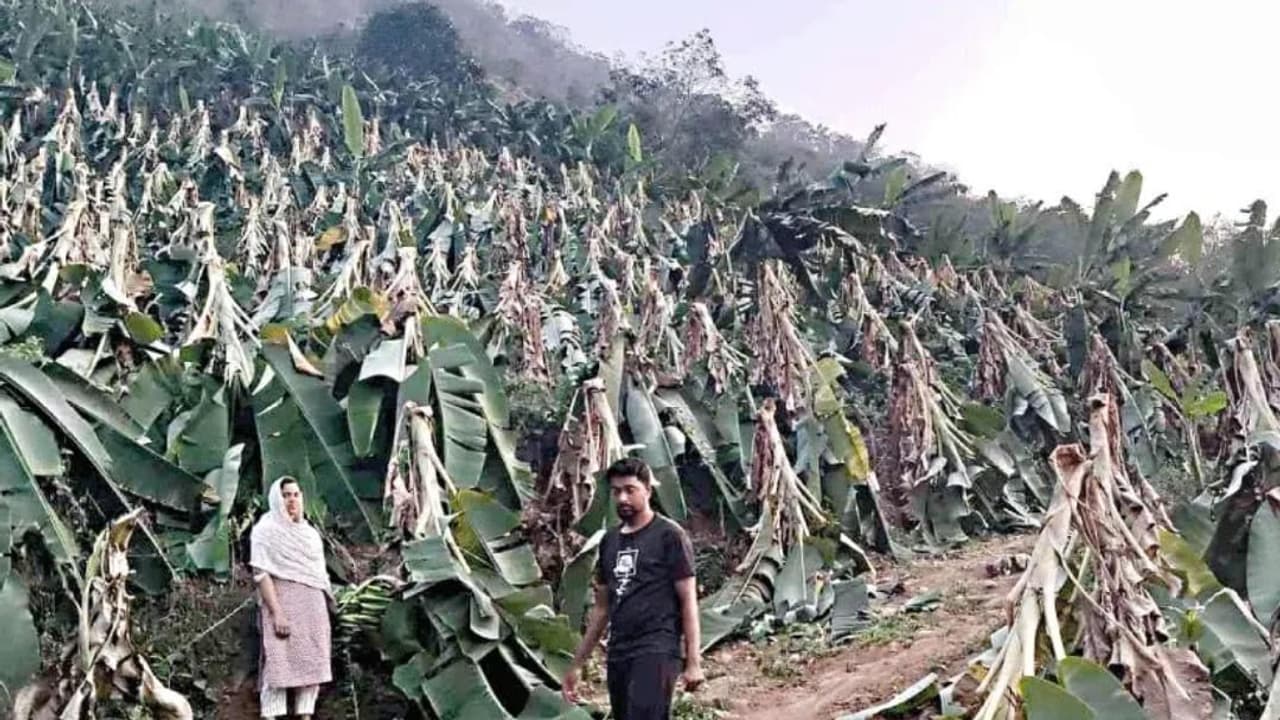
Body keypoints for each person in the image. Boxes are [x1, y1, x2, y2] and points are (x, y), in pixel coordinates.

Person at [562, 458, 704, 720]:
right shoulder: (609, 541)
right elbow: (602, 608)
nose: (622, 498)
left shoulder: (669, 536)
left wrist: (693, 661)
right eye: (616, 492)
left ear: (648, 491)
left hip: (657, 647)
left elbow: (688, 601)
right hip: (619, 650)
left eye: (630, 489)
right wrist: (577, 664)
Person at [250, 477, 333, 720]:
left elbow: (318, 574)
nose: (292, 500)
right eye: (286, 495)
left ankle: (305, 715)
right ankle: (271, 715)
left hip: (312, 606)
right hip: (282, 603)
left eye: (296, 495)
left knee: (313, 661)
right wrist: (277, 613)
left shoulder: (310, 534)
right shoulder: (265, 531)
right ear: (277, 498)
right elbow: (261, 573)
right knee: (278, 662)